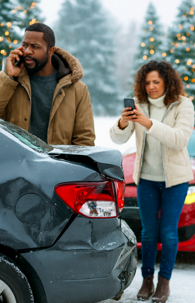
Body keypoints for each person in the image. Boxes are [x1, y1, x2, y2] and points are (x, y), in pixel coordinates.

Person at [110, 60, 194, 303]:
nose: (151, 87)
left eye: (156, 81)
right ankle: (147, 279)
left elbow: (178, 139)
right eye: (147, 82)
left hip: (174, 182)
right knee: (147, 233)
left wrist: (148, 123)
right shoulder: (140, 105)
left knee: (168, 233)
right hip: (146, 180)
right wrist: (124, 122)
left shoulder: (183, 105)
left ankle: (164, 281)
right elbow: (117, 138)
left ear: (167, 81)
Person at [0, 23, 95, 146]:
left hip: (58, 165)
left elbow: (84, 141)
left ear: (50, 51)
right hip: (15, 163)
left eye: (35, 46)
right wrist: (8, 78)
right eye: (24, 45)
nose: (27, 51)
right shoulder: (11, 82)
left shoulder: (77, 89)